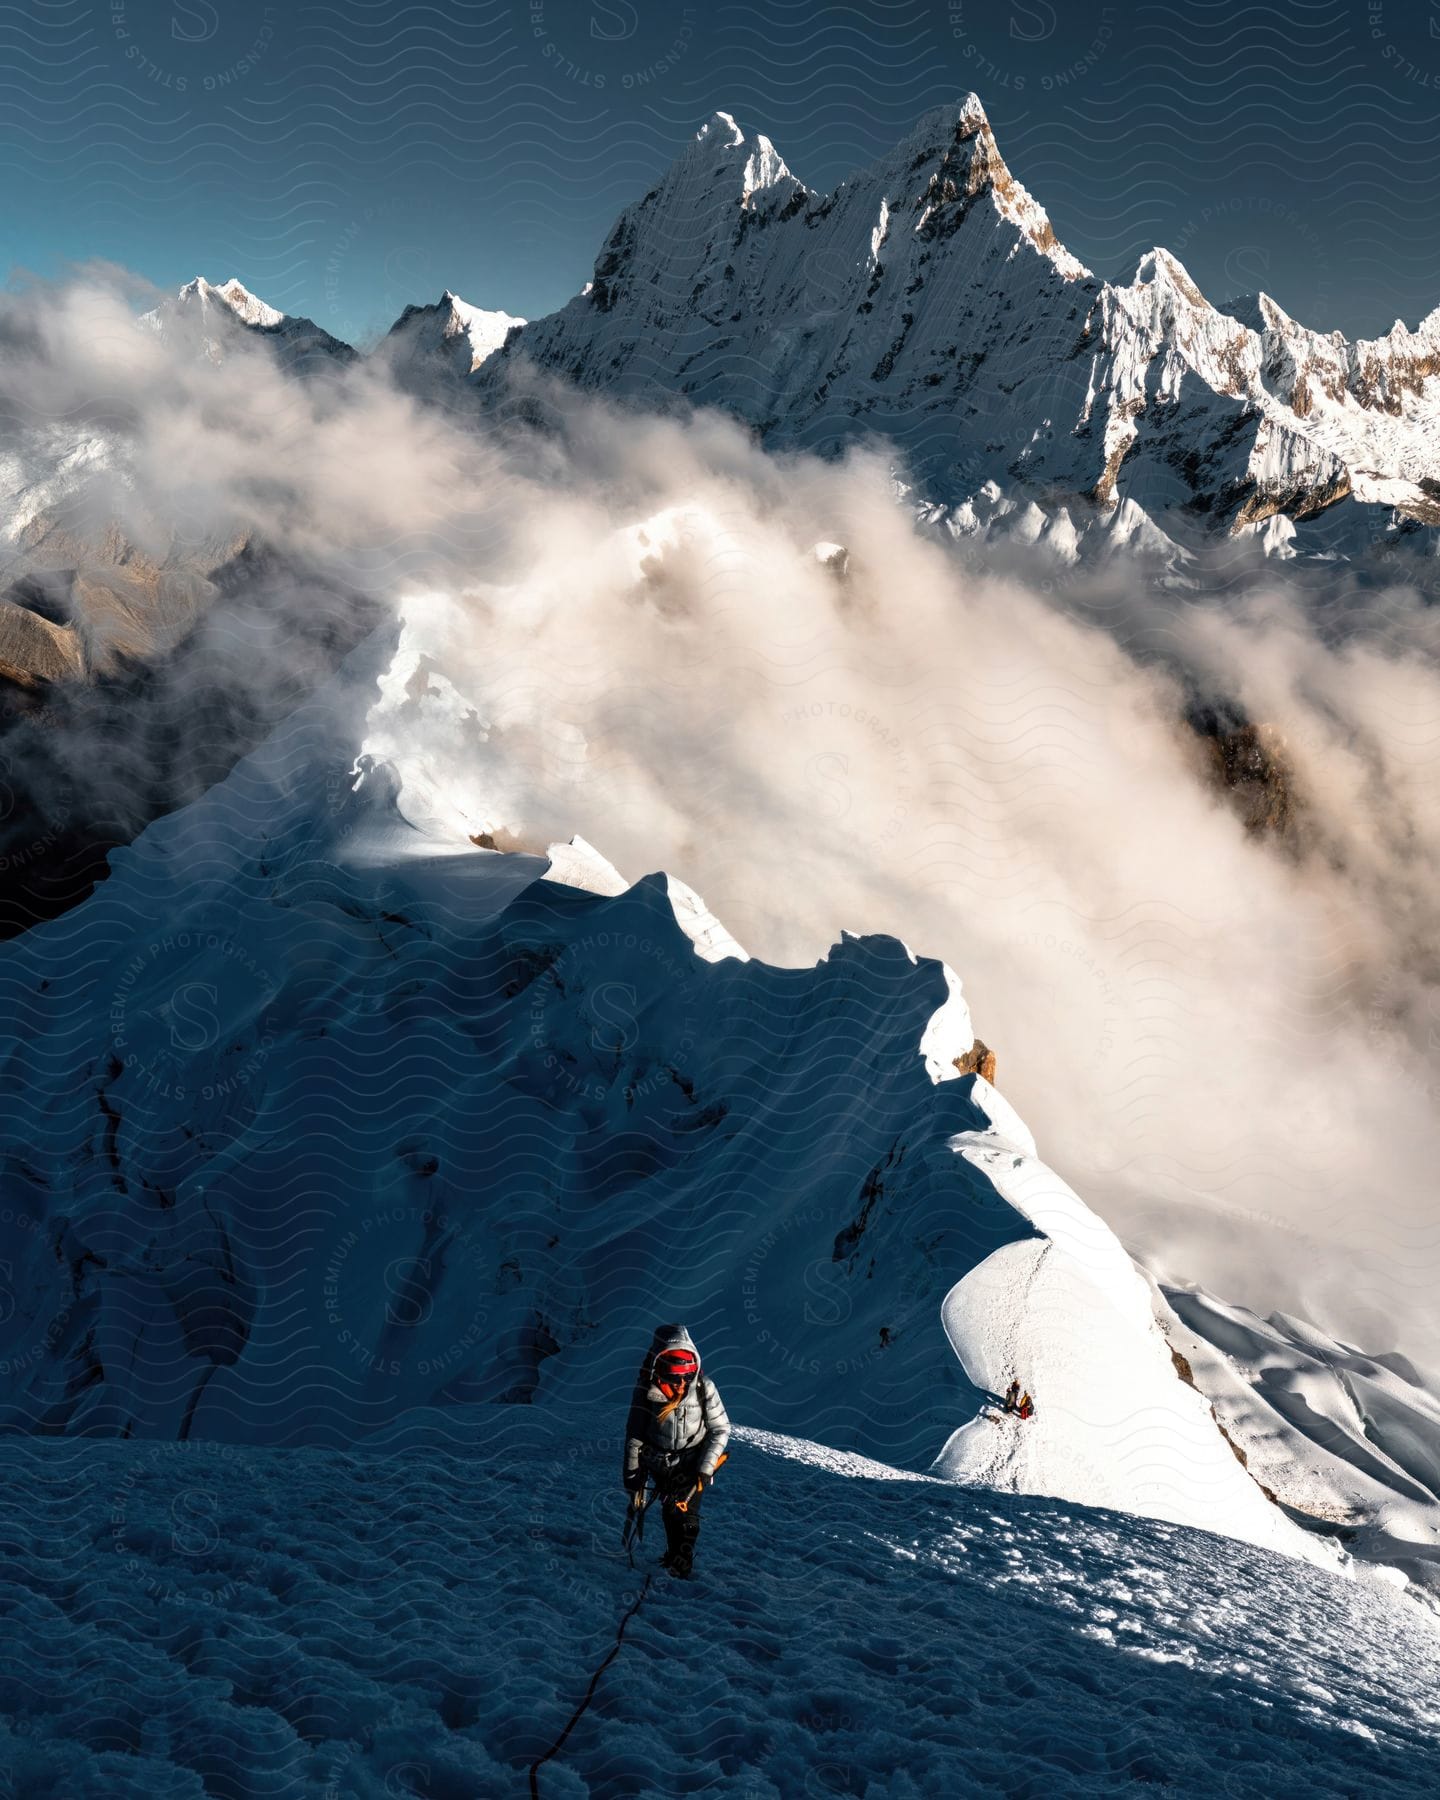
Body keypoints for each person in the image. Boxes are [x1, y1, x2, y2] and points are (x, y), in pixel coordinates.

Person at [623, 1323, 730, 1579]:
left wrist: (705, 1467)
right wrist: (632, 1477)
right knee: (671, 1510)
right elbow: (635, 1436)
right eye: (674, 1377)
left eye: (686, 1376)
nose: (682, 1383)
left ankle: (681, 1564)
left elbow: (720, 1429)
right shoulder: (646, 1393)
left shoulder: (705, 1387)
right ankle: (675, 1557)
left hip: (692, 1464)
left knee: (685, 1512)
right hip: (659, 1464)